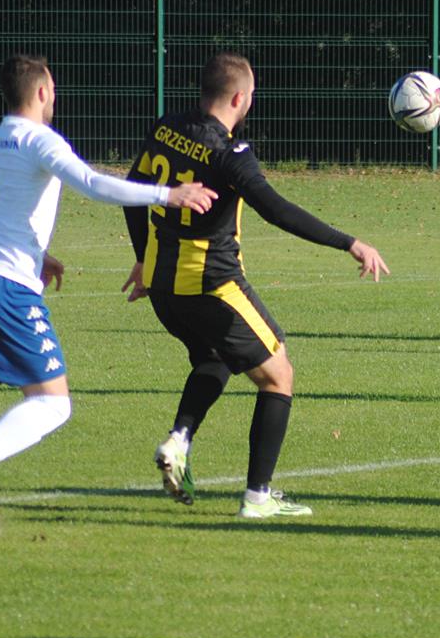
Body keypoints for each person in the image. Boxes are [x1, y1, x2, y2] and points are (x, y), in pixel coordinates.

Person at [0, 54, 216, 526]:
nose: (55, 97)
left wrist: (38, 255)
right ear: (39, 93)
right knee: (53, 403)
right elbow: (94, 184)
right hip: (3, 285)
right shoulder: (40, 140)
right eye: (52, 89)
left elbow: (2, 211)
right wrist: (168, 194)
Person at [123, 52, 389, 519]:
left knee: (215, 358)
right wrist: (350, 243)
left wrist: (143, 257)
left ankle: (179, 439)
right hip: (212, 286)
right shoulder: (230, 154)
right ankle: (258, 497)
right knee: (278, 374)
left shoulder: (166, 127)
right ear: (240, 98)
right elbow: (277, 210)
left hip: (165, 289)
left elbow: (132, 191)